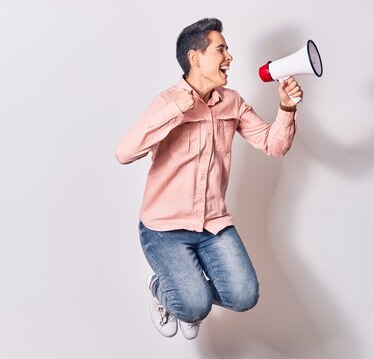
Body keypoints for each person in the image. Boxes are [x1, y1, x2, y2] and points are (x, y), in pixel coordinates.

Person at [115, 17, 303, 340]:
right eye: (221, 49)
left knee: (245, 295)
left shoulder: (232, 103)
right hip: (164, 228)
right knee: (194, 306)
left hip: (213, 224)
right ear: (196, 58)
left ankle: (187, 297)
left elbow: (274, 145)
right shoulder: (167, 102)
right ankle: (164, 290)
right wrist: (175, 111)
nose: (229, 57)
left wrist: (286, 108)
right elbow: (124, 152)